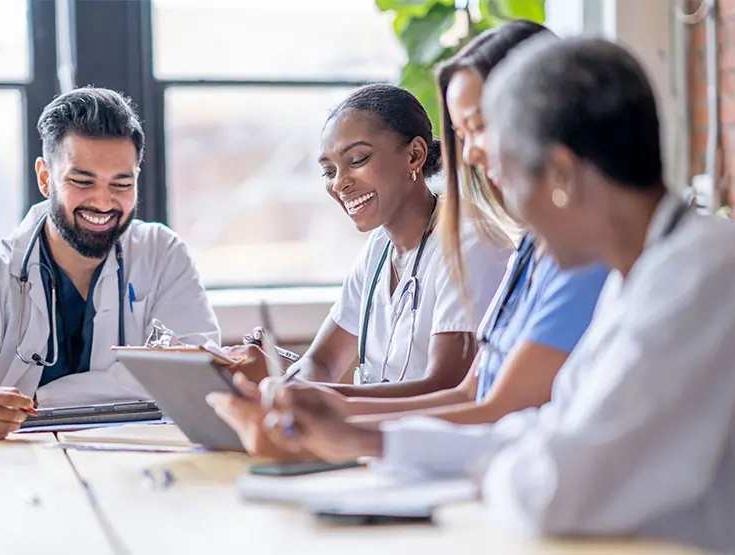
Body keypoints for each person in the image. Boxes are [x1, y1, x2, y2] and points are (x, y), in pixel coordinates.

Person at [235, 37, 735, 554]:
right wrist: (361, 437)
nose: (508, 213)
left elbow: (559, 487)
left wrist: (478, 465)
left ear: (560, 175)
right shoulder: (644, 270)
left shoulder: (703, 273)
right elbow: (537, 431)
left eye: (506, 172)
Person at [212, 21, 609, 458]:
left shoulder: (564, 256)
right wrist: (312, 402)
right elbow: (471, 394)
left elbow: (485, 402)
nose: (471, 154)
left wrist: (347, 424)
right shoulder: (537, 253)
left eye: (480, 128)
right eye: (464, 134)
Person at [0, 87, 220, 440]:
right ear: (45, 178)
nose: (103, 201)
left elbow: (200, 379)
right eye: (82, 181)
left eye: (121, 183)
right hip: (16, 467)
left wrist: (41, 400)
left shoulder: (162, 254)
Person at [235, 84, 511, 398]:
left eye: (357, 159)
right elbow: (322, 363)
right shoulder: (379, 248)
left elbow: (445, 388)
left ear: (414, 155)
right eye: (329, 170)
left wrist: (321, 399)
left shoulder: (470, 243)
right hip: (376, 435)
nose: (340, 183)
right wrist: (283, 383)